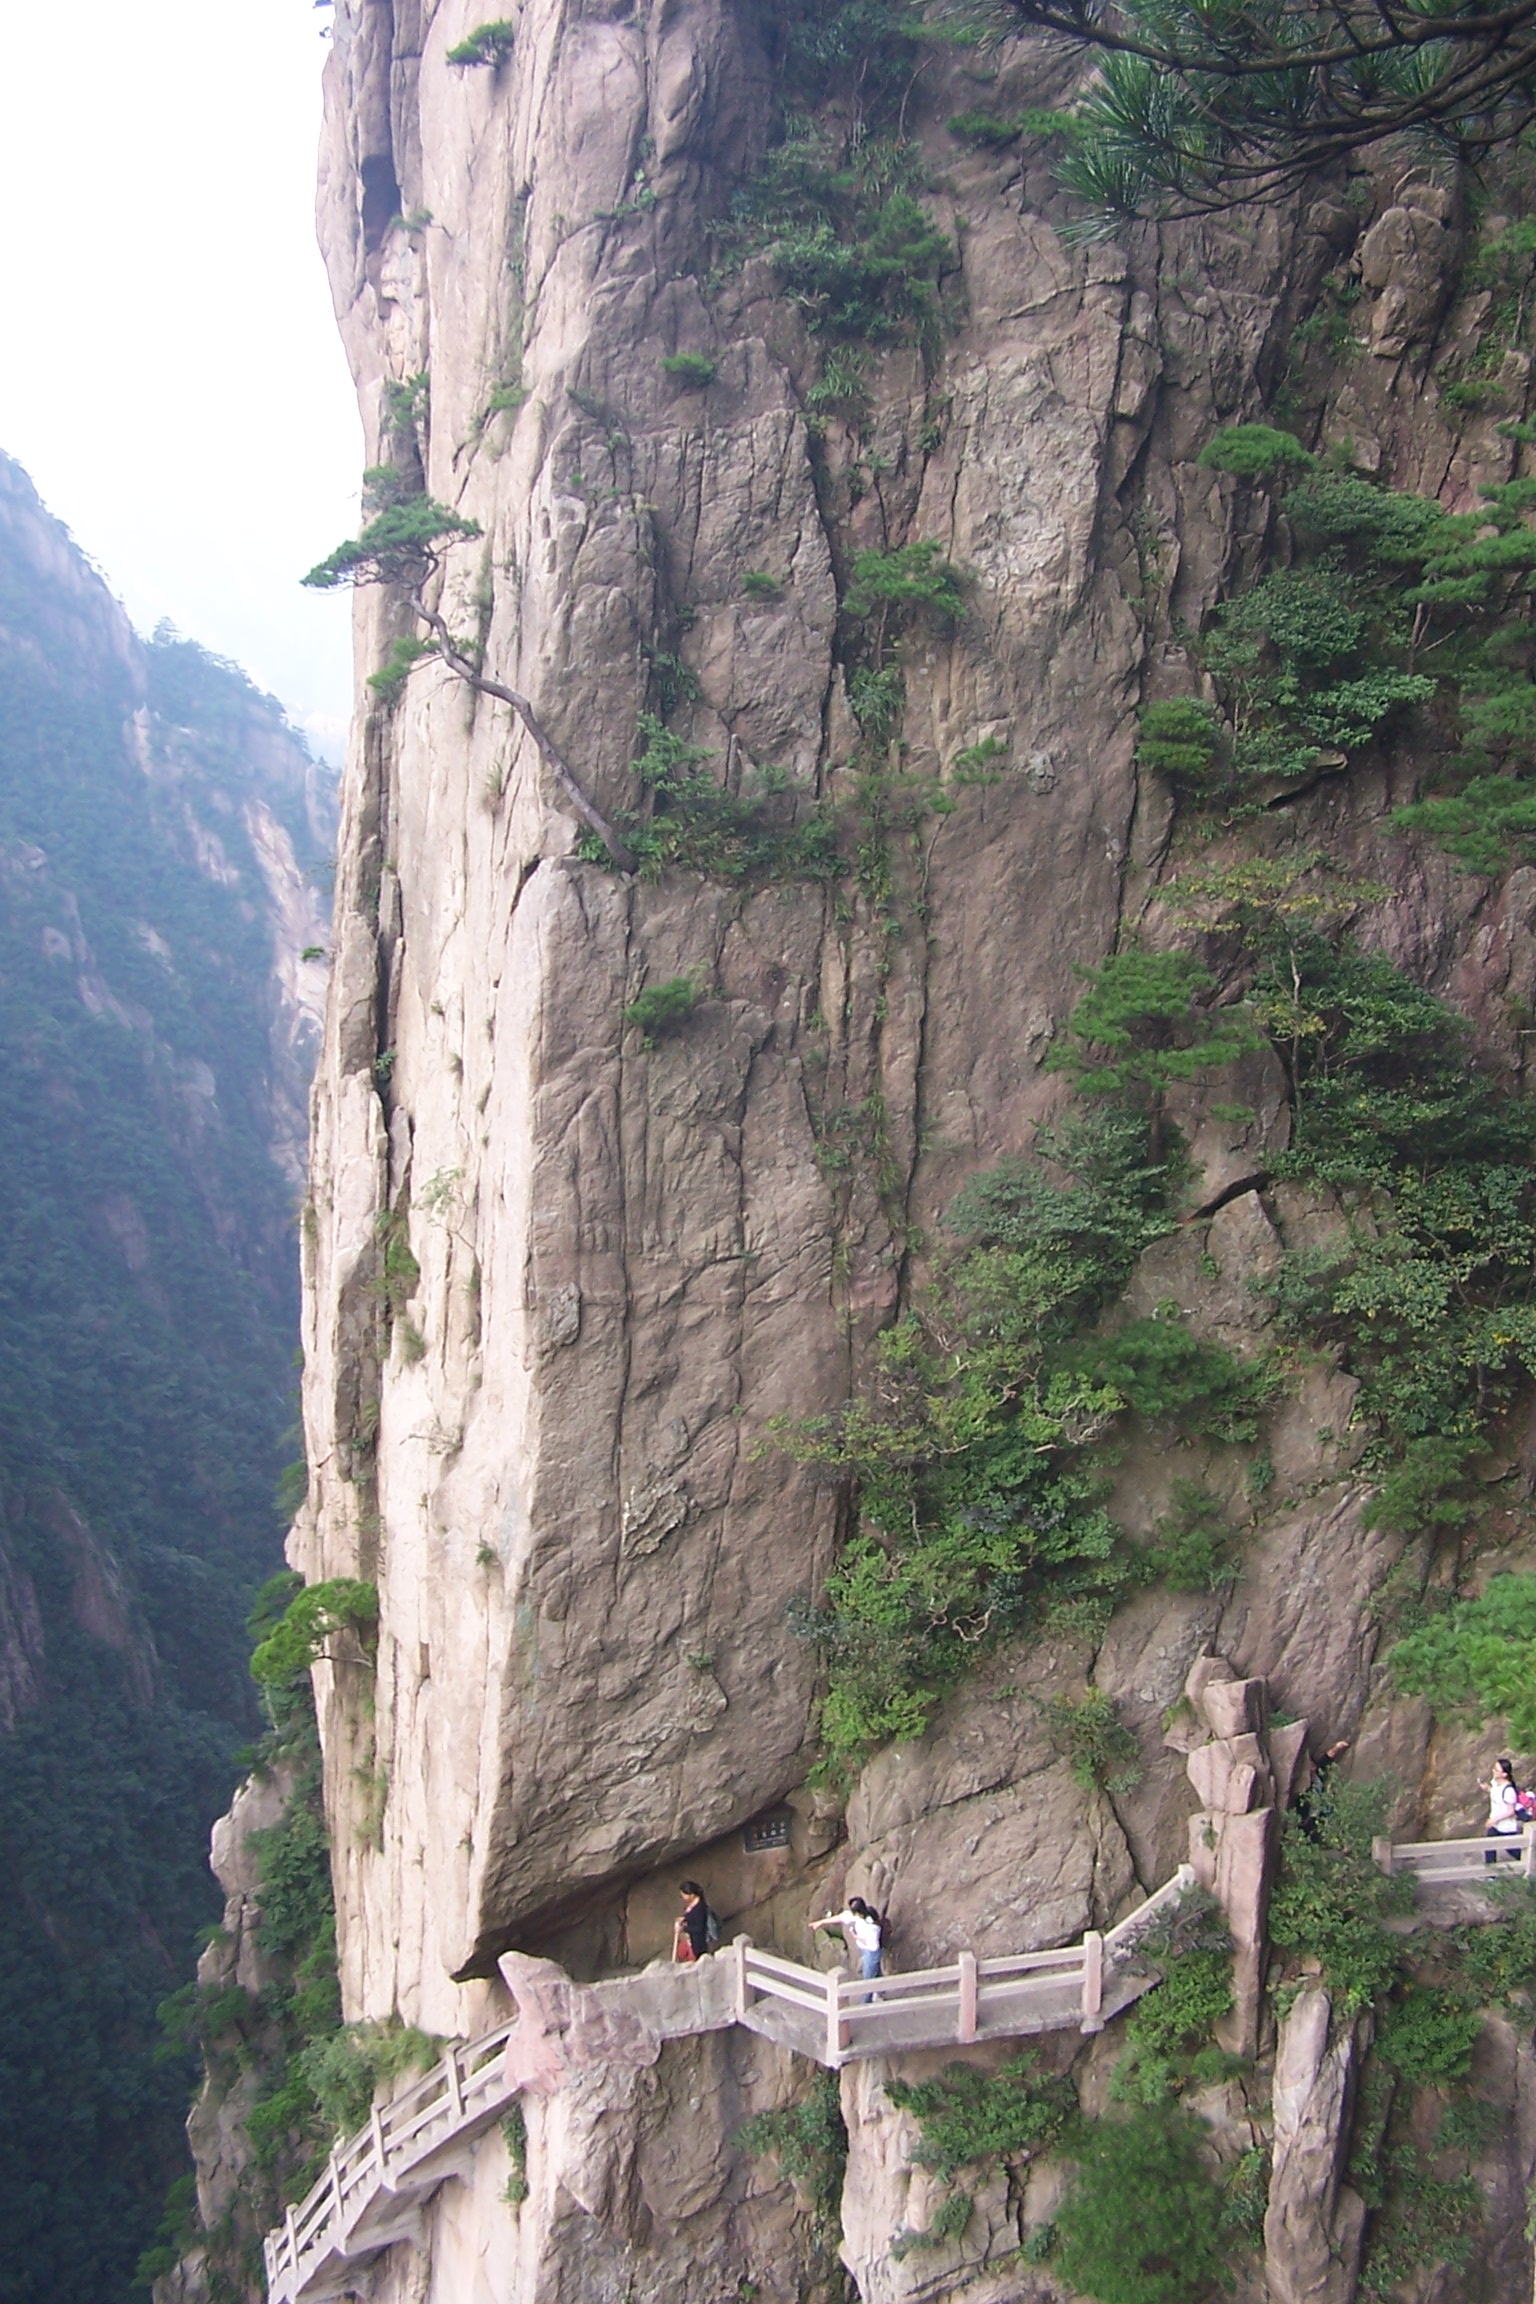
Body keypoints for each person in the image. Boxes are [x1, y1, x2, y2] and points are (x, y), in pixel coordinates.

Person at [812, 1895, 884, 1996]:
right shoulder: (855, 1916)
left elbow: (871, 1944)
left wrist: (855, 1936)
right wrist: (821, 1922)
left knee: (867, 1981)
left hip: (871, 1952)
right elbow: (841, 1917)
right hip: (864, 1949)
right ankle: (883, 1992)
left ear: (858, 1912)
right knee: (875, 1973)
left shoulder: (871, 1926)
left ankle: (866, 2005)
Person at [1483, 1757, 1523, 1864]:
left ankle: (1531, 1863)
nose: (1493, 1771)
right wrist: (1488, 1789)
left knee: (1514, 1851)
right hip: (1496, 1826)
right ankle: (1490, 1875)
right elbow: (1497, 1795)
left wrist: (1494, 1820)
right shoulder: (1496, 1784)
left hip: (1506, 1827)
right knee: (1489, 1846)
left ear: (1504, 1774)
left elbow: (1511, 1811)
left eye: (1496, 1770)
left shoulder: (1509, 1790)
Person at [673, 1879, 718, 1961]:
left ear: (692, 1895)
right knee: (681, 1952)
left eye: (684, 1895)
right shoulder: (693, 1904)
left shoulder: (699, 1908)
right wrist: (684, 1918)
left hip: (697, 1945)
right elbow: (692, 1917)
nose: (683, 1898)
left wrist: (683, 1928)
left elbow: (699, 1928)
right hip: (690, 1940)